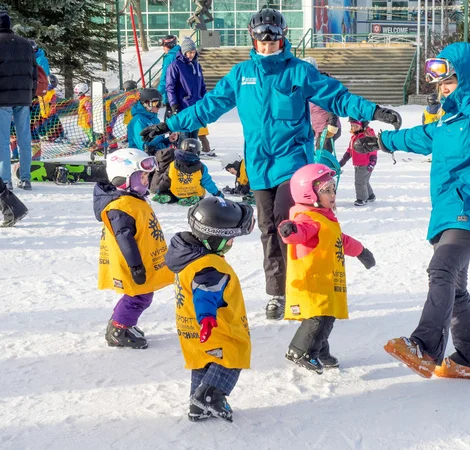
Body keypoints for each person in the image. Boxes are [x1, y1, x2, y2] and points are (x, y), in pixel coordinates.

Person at [141, 7, 401, 321]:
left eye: (273, 41)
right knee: (266, 228)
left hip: (292, 162)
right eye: (262, 41)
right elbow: (207, 107)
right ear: (253, 39)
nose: (267, 47)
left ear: (282, 38)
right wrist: (168, 125)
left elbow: (337, 97)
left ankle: (296, 285)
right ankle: (277, 290)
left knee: (284, 220)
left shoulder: (299, 71)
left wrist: (375, 111)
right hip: (259, 166)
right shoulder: (240, 75)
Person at [354, 43, 470, 380]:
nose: (442, 88)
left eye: (449, 81)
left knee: (442, 267)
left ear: (468, 78)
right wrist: (381, 142)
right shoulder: (447, 122)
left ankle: (425, 346)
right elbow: (419, 137)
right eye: (439, 83)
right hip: (447, 210)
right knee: (455, 287)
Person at [279, 164, 375, 373]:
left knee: (325, 317)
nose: (332, 195)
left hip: (324, 280)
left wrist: (360, 251)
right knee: (319, 318)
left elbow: (340, 240)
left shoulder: (324, 218)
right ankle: (300, 350)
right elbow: (298, 232)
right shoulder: (308, 219)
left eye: (333, 190)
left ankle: (320, 350)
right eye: (326, 191)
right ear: (309, 193)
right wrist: (289, 230)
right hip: (312, 280)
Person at [165, 197, 254, 422]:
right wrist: (206, 317)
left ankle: (198, 406)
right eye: (230, 238)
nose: (232, 242)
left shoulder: (190, 256)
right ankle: (209, 397)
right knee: (232, 358)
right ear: (215, 239)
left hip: (192, 329)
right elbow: (206, 292)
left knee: (203, 363)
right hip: (217, 328)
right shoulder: (210, 266)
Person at [94, 148, 174, 349]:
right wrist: (136, 266)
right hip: (132, 263)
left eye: (148, 176)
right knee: (139, 296)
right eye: (142, 176)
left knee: (137, 295)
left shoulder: (130, 201)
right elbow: (124, 238)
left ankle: (120, 323)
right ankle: (119, 329)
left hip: (140, 259)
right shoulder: (120, 207)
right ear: (124, 177)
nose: (146, 181)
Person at [0, 11, 37, 191]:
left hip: (2, 99)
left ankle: (5, 180)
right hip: (23, 97)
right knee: (24, 138)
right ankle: (25, 178)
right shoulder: (25, 44)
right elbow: (34, 71)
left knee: (2, 140)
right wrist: (31, 94)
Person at [165, 37, 213, 156]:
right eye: (189, 52)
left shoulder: (197, 65)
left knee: (194, 138)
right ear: (184, 51)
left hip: (196, 107)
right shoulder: (175, 66)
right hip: (183, 107)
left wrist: (204, 100)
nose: (191, 55)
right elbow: (170, 87)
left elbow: (202, 85)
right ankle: (182, 160)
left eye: (193, 52)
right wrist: (173, 104)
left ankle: (193, 159)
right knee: (184, 138)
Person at [151, 137, 222, 206]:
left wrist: (160, 191)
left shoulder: (173, 165)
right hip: (195, 193)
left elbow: (166, 179)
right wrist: (216, 193)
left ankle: (169, 197)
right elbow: (207, 182)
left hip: (178, 193)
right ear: (198, 152)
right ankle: (193, 199)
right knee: (201, 194)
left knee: (171, 193)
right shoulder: (201, 167)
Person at [302, 56, 341, 153]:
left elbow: (331, 104)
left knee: (321, 156)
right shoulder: (310, 85)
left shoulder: (322, 84)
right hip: (319, 127)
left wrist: (332, 124)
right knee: (315, 155)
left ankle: (328, 167)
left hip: (327, 127)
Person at [339, 118, 377, 206]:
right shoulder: (354, 137)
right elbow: (350, 149)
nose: (353, 128)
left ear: (362, 126)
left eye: (356, 126)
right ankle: (370, 196)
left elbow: (373, 148)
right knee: (364, 180)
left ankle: (362, 199)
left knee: (359, 181)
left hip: (366, 163)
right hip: (358, 163)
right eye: (352, 126)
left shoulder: (367, 136)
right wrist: (344, 160)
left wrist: (373, 160)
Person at [127, 88, 176, 153]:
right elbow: (145, 146)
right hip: (140, 157)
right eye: (157, 104)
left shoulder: (155, 119)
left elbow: (157, 144)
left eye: (160, 104)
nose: (159, 107)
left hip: (154, 156)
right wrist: (160, 136)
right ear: (147, 104)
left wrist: (168, 140)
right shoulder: (138, 121)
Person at [157, 35, 180, 113]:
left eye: (164, 46)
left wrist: (158, 93)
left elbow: (165, 77)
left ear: (169, 45)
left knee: (170, 123)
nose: (163, 48)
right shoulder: (180, 54)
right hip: (180, 95)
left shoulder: (170, 58)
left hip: (171, 96)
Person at [75, 82, 95, 147]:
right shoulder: (82, 99)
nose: (77, 95)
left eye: (77, 93)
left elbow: (89, 110)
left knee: (90, 132)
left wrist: (90, 119)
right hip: (83, 121)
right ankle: (90, 140)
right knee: (87, 132)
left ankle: (93, 142)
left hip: (86, 121)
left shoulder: (86, 100)